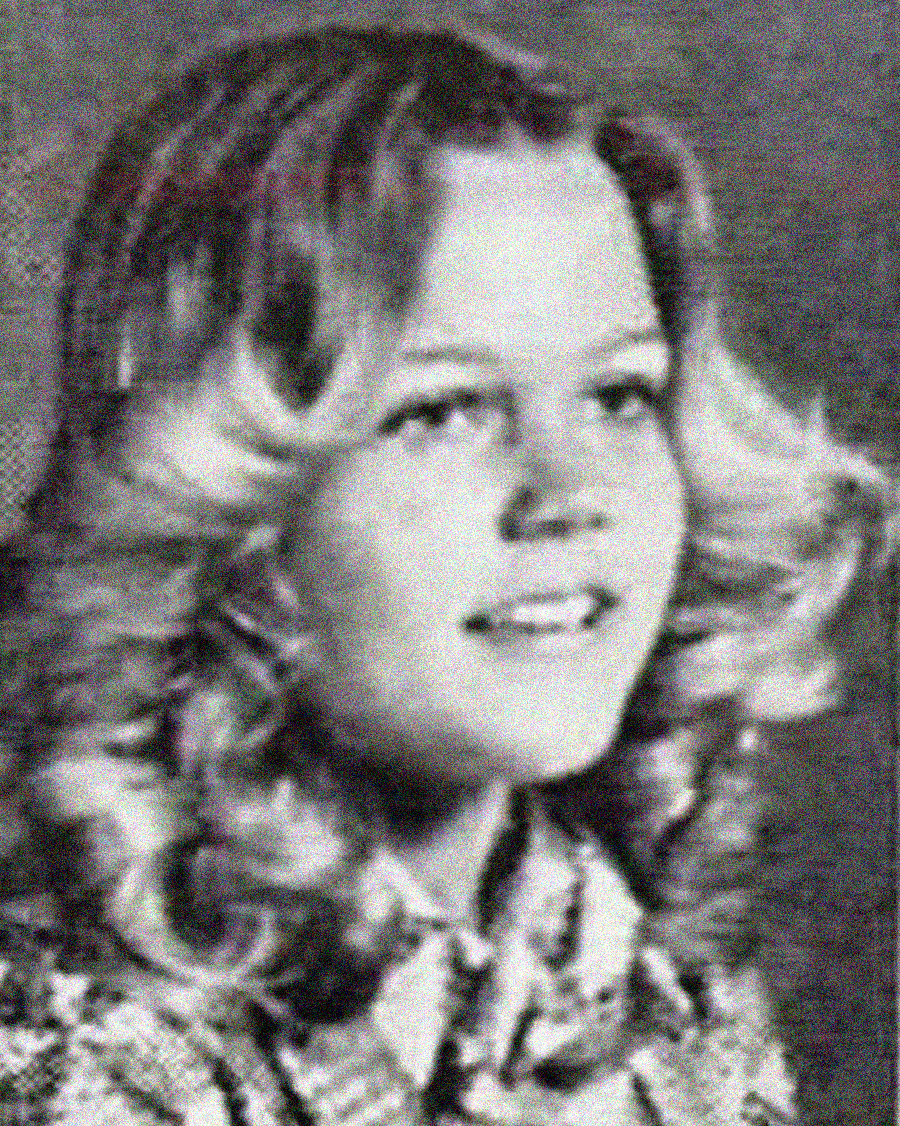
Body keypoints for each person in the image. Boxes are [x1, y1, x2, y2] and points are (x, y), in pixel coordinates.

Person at [0, 22, 891, 1126]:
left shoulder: (645, 977)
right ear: (223, 495)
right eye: (441, 411)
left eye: (619, 397)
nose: (569, 495)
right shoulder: (69, 1047)